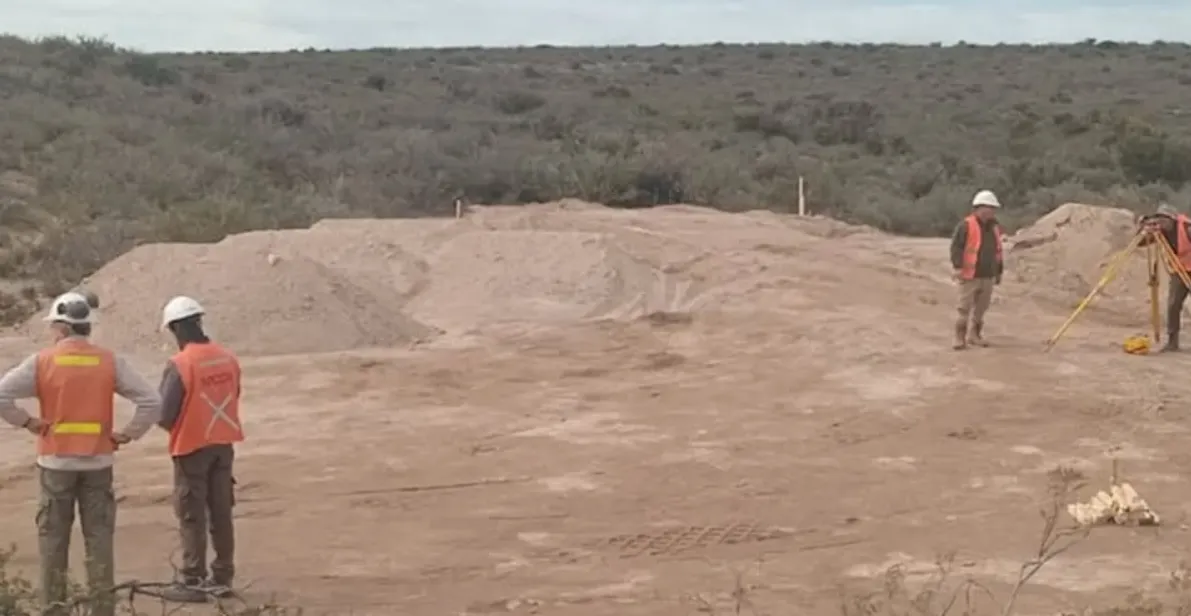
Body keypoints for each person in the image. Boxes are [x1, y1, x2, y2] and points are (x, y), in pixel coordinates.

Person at [0, 291, 160, 616]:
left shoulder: (43, 362)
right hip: (99, 463)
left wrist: (28, 422)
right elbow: (151, 401)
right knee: (99, 542)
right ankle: (102, 609)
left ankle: (54, 609)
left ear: (60, 327)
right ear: (87, 326)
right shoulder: (108, 361)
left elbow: (1, 394)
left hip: (55, 463)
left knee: (53, 543)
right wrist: (128, 434)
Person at [156, 296, 244, 601]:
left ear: (177, 328)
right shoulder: (227, 358)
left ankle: (193, 580)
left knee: (192, 514)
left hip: (191, 447)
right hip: (222, 445)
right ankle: (223, 577)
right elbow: (235, 394)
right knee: (221, 511)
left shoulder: (181, 364)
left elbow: (164, 414)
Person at [949, 189, 1005, 350]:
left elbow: (998, 251)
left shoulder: (994, 227)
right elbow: (956, 247)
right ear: (979, 208)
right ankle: (960, 338)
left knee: (981, 309)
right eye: (989, 208)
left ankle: (975, 335)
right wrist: (958, 267)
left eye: (993, 208)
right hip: (969, 275)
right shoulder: (966, 225)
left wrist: (999, 272)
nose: (992, 212)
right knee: (964, 308)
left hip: (987, 275)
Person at [1138, 203, 1191, 352]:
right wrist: (1143, 230)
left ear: (1173, 219)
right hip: (1179, 271)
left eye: (1164, 219)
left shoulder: (1187, 228)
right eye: (1159, 219)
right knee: (1173, 304)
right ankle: (1173, 342)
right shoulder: (1159, 231)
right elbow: (1141, 244)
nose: (1161, 222)